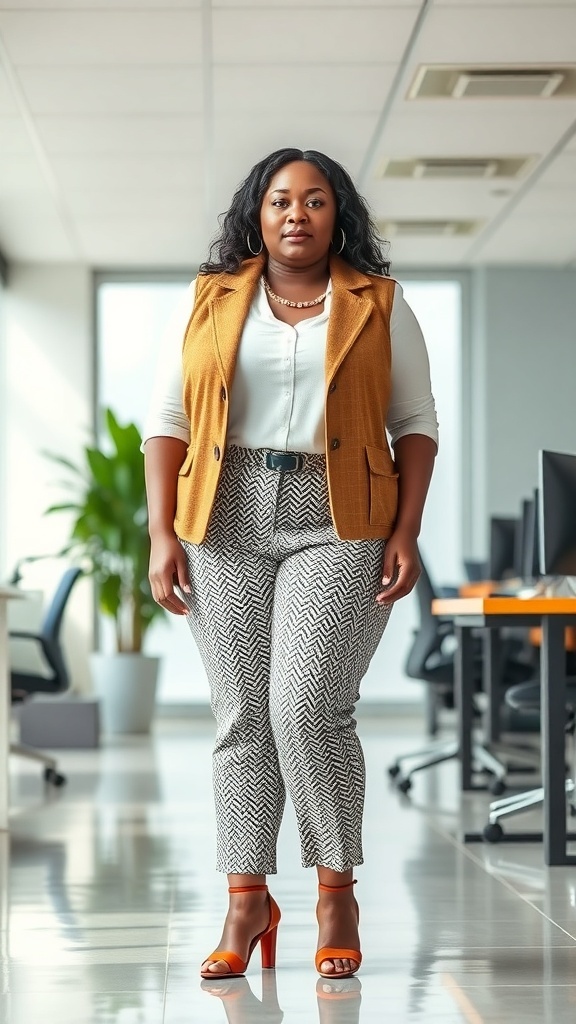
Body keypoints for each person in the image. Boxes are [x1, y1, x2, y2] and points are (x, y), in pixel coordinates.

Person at [142, 147, 438, 982]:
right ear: (258, 213)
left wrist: (406, 529)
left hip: (340, 515)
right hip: (224, 509)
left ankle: (336, 895)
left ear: (337, 215)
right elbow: (168, 418)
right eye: (280, 201)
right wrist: (161, 532)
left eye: (314, 200)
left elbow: (415, 423)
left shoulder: (379, 303)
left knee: (307, 708)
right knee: (242, 715)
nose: (296, 214)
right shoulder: (210, 300)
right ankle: (247, 901)